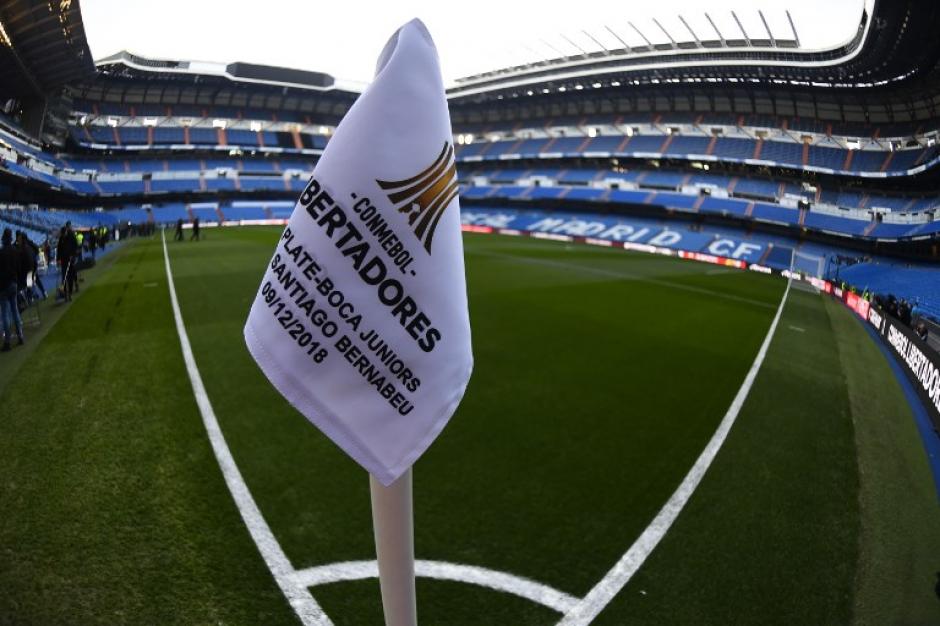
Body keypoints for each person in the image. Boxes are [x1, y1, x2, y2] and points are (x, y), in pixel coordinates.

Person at [0, 228, 24, 350]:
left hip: (3, 286)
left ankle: (7, 342)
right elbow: (19, 268)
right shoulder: (15, 251)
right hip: (14, 284)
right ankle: (20, 336)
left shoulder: (1, 252)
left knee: (4, 314)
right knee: (15, 310)